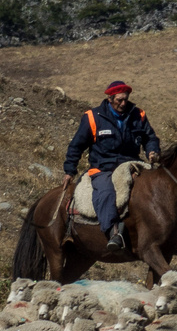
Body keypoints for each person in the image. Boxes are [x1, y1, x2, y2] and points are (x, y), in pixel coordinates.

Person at [63, 80, 160, 249]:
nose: (123, 103)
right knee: (106, 192)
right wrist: (69, 171)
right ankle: (113, 232)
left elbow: (150, 137)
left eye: (126, 99)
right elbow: (76, 146)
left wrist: (152, 151)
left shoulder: (139, 115)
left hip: (132, 164)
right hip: (103, 168)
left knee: (156, 187)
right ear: (110, 98)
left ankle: (163, 234)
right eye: (119, 100)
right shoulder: (92, 118)